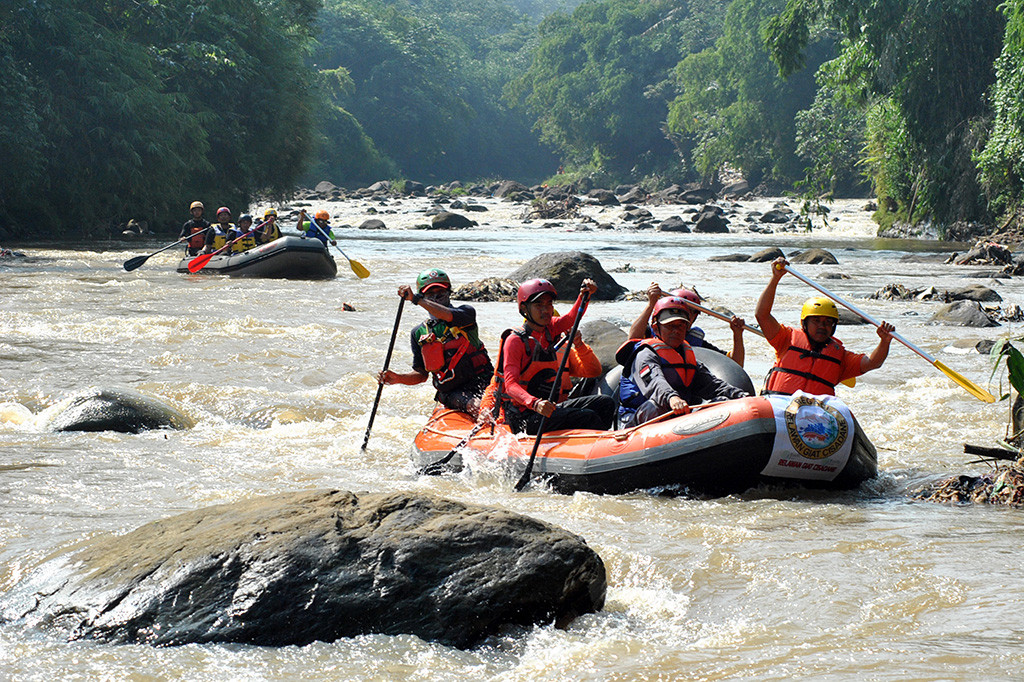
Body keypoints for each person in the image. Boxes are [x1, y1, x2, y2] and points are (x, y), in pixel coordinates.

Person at [489, 278, 615, 434]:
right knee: (588, 417)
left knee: (605, 403)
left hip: (548, 408)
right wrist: (535, 403)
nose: (546, 310)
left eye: (549, 304)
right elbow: (511, 385)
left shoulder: (550, 329)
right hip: (524, 416)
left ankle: (602, 445)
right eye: (539, 305)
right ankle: (596, 446)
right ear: (524, 308)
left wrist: (584, 295)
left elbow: (571, 319)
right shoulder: (515, 341)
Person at [755, 256, 895, 396]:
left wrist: (885, 341)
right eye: (816, 321)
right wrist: (775, 279)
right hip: (778, 406)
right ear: (805, 323)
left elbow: (872, 363)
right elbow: (762, 315)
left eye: (828, 322)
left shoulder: (841, 357)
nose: (822, 326)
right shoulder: (786, 339)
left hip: (813, 413)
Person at [617, 296, 749, 428]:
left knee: (722, 402)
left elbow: (712, 384)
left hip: (677, 415)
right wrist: (671, 397)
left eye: (681, 325)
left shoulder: (687, 357)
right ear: (656, 328)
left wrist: (740, 395)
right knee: (657, 406)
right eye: (670, 326)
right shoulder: (645, 354)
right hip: (634, 419)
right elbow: (654, 381)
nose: (676, 330)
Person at [378, 269, 494, 415]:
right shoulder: (419, 333)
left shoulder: (466, 314)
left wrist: (417, 300)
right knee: (477, 406)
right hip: (453, 392)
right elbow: (421, 375)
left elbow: (446, 314)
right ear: (424, 296)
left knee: (499, 405)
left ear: (449, 293)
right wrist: (398, 378)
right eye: (430, 295)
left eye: (441, 293)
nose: (436, 298)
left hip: (485, 383)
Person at [628, 283, 745, 366]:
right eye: (674, 312)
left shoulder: (695, 341)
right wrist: (651, 304)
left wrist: (737, 334)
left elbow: (735, 365)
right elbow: (632, 339)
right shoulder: (651, 331)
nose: (681, 317)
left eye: (688, 313)